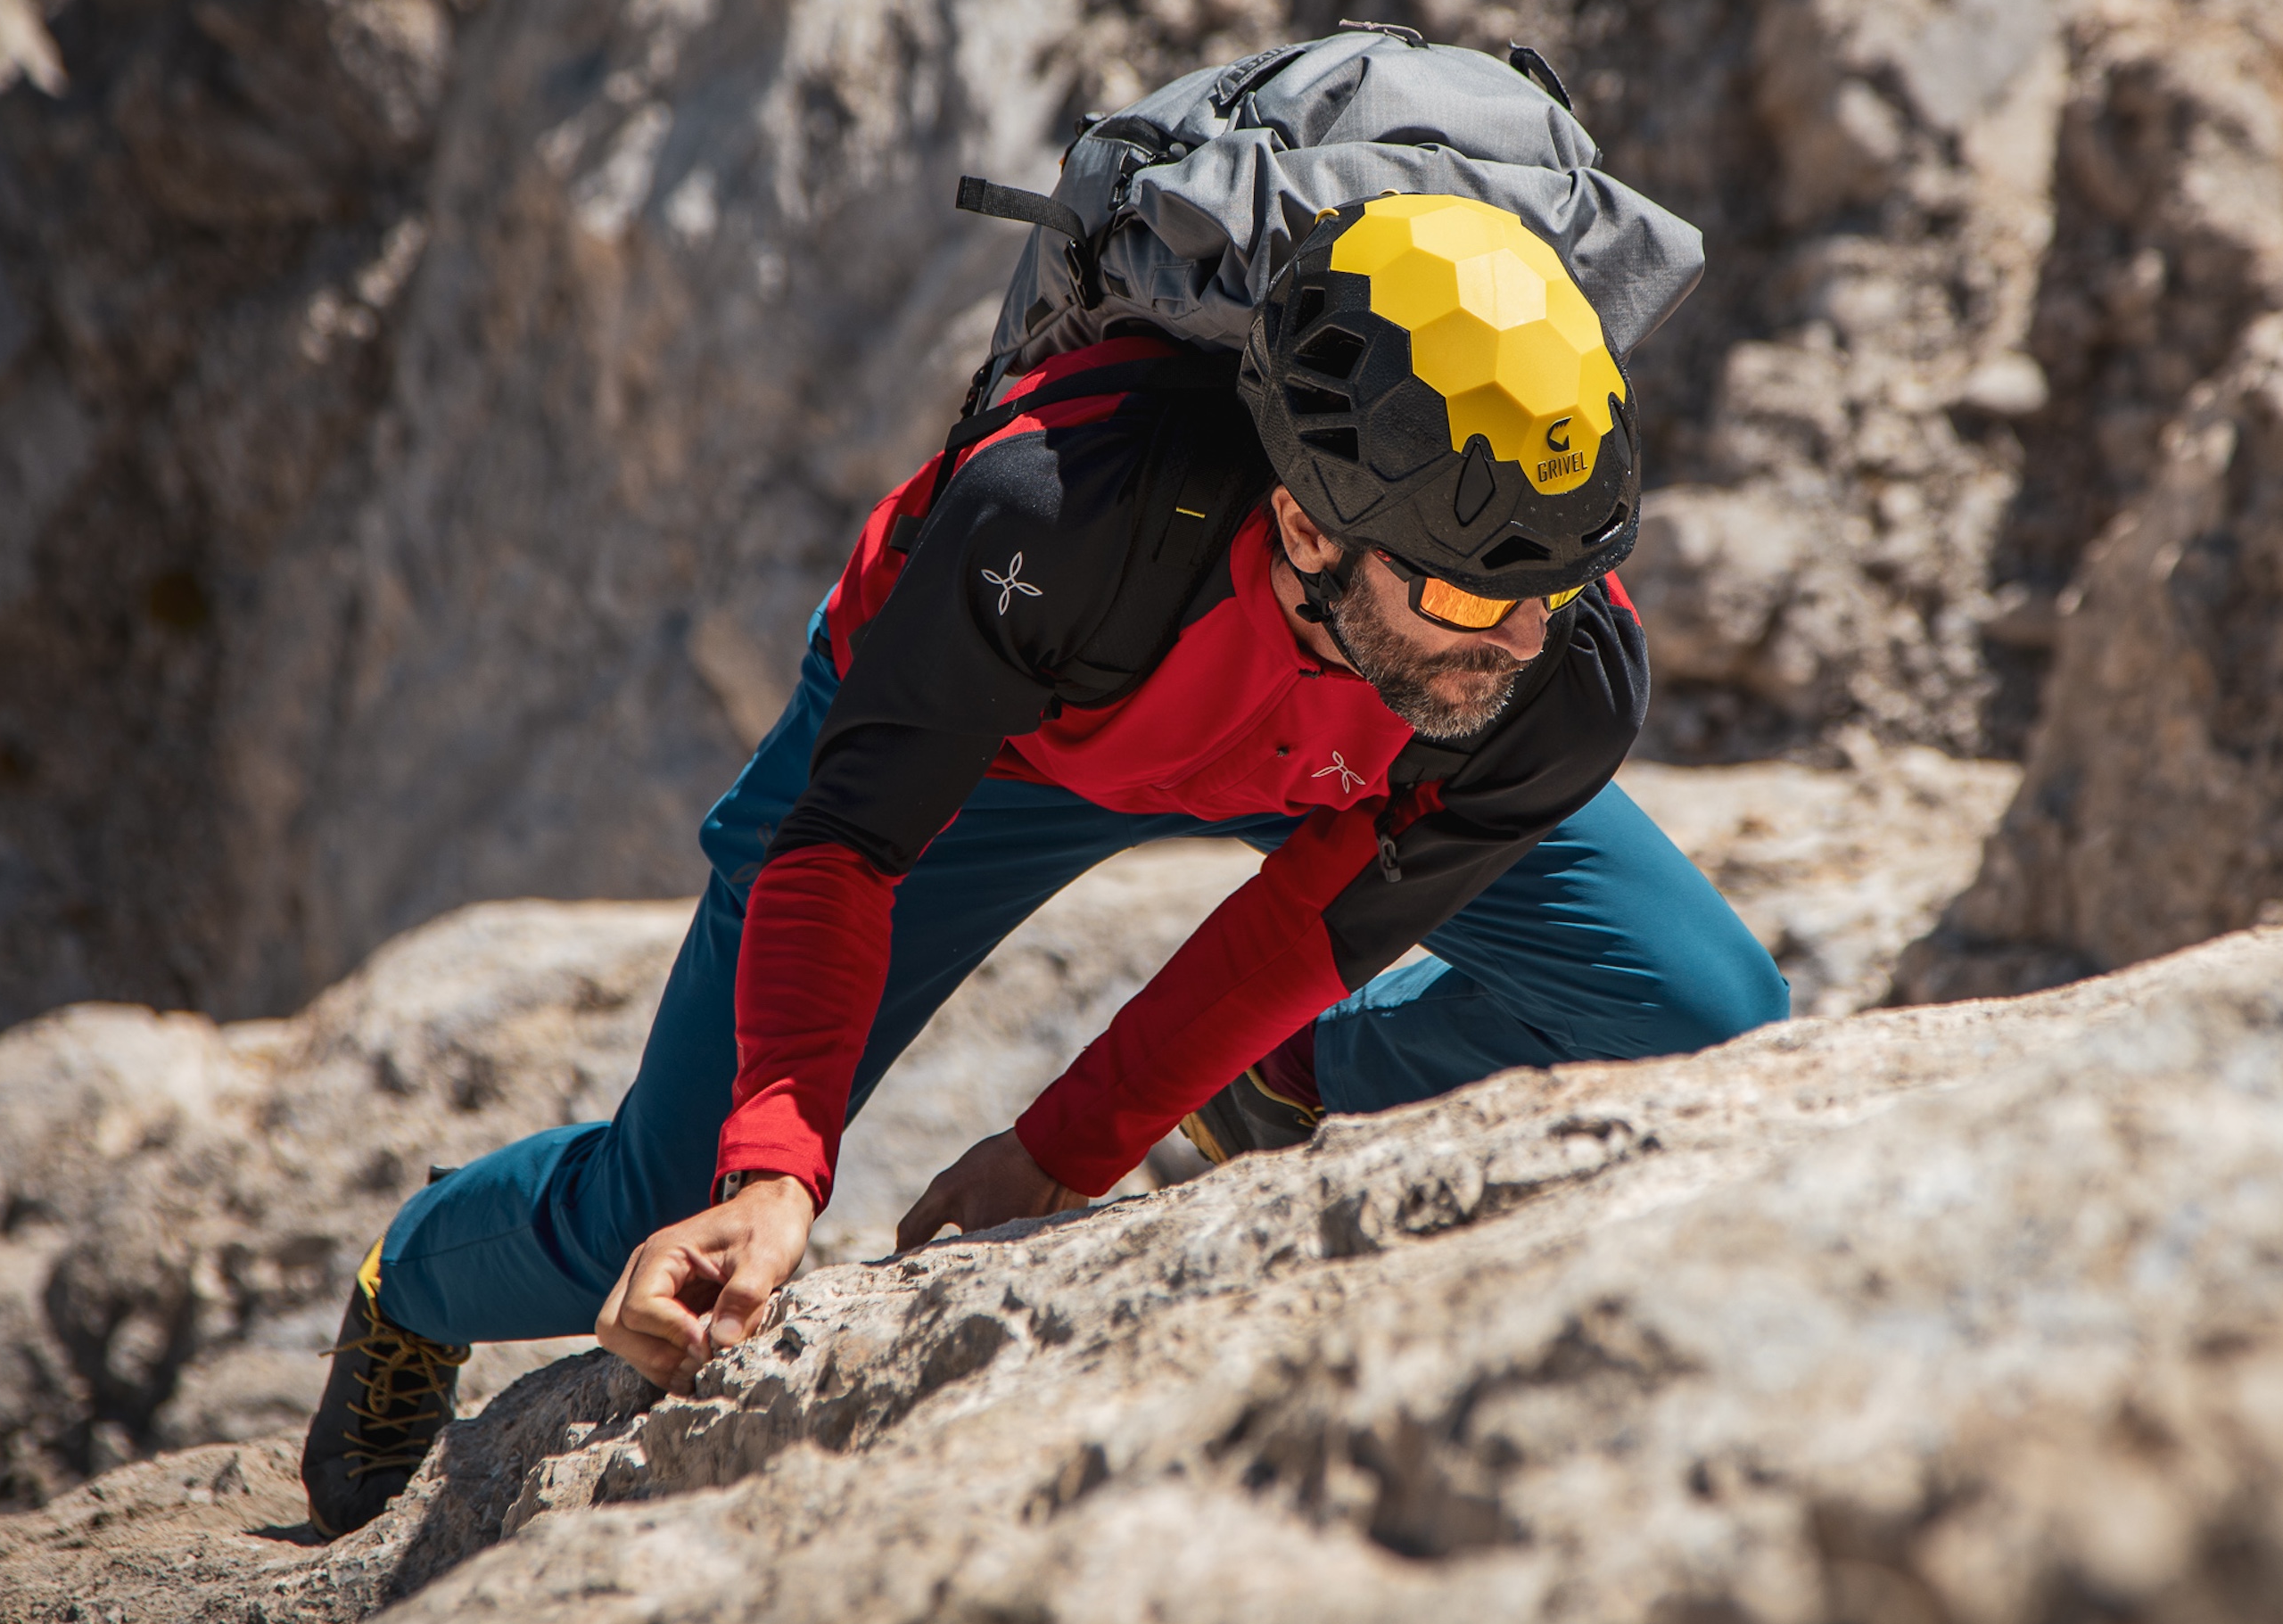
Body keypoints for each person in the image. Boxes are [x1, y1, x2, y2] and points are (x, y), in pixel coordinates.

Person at [300, 190, 1786, 1536]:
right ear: (1306, 529)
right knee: (654, 1213)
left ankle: (1282, 1087)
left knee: (1704, 1014)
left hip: (1338, 738)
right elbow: (846, 840)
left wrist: (1073, 1142)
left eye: (1560, 579)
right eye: (1477, 589)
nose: (1527, 639)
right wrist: (770, 1171)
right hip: (1000, 743)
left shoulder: (1541, 665)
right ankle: (413, 1274)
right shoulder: (1050, 522)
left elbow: (1315, 919)